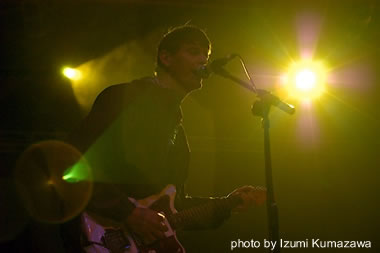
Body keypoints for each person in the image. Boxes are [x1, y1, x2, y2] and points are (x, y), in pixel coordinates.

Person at [62, 24, 266, 252]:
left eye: (205, 55)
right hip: (100, 237)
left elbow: (174, 208)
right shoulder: (123, 98)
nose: (203, 61)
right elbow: (71, 164)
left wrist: (228, 203)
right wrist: (127, 213)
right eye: (193, 51)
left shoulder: (177, 130)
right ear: (166, 58)